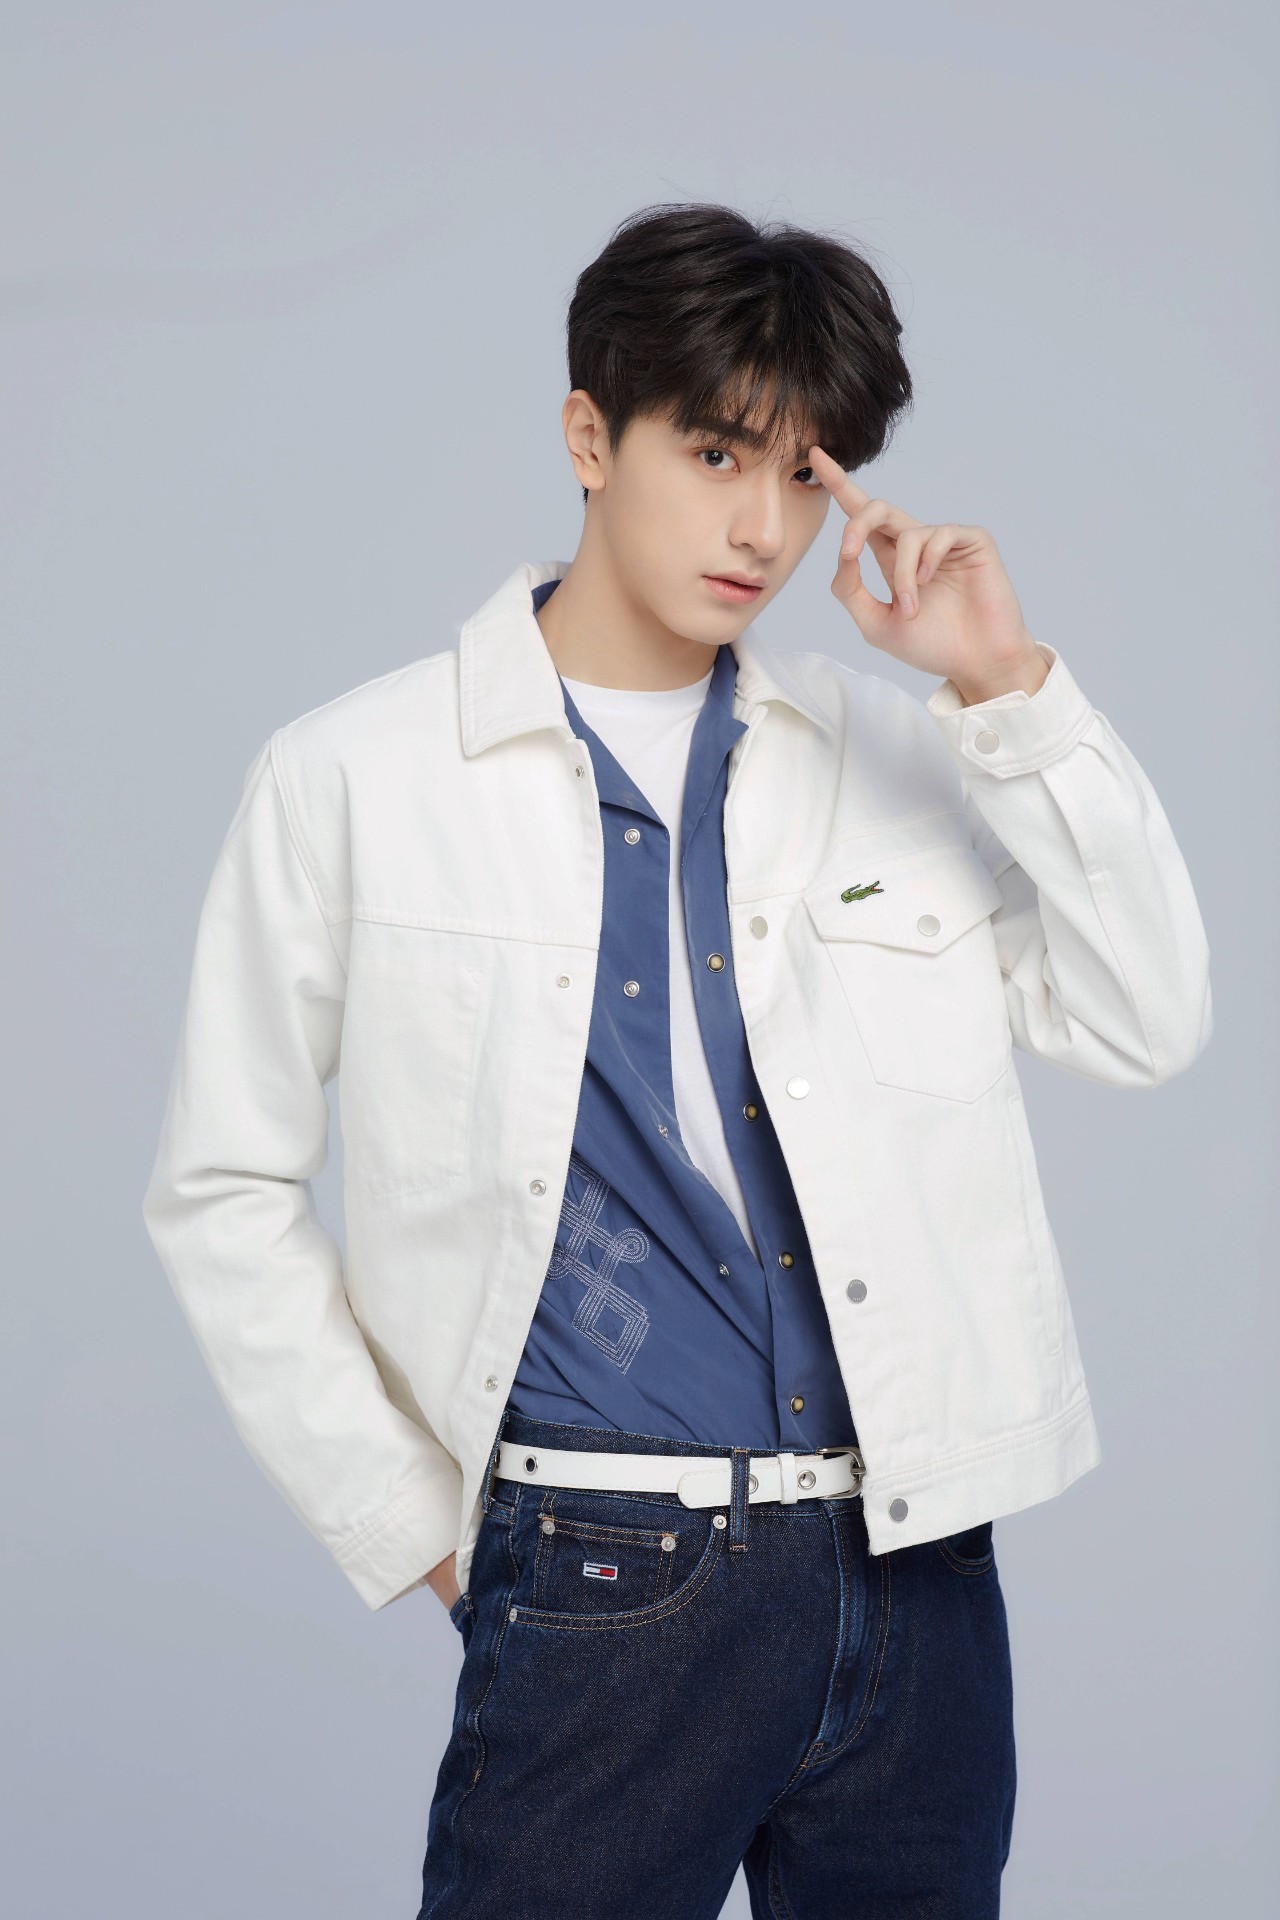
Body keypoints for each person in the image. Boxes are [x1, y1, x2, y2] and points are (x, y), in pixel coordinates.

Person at [142, 201, 1213, 1919]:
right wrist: (418, 1526)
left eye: (803, 473)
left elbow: (1146, 1010)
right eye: (716, 453)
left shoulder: (891, 754)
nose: (762, 526)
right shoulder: (357, 778)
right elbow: (223, 1190)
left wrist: (1005, 686)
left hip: (921, 1580)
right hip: (607, 1573)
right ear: (590, 436)